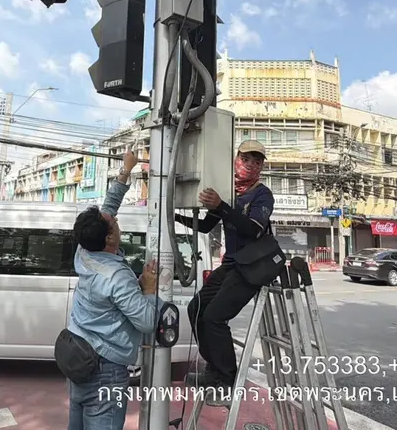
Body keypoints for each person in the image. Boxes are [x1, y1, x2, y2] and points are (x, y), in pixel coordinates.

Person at [175, 140, 284, 405]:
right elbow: (205, 226)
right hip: (232, 263)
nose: (251, 165)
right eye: (246, 159)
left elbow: (254, 229)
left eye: (257, 161)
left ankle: (227, 380)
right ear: (236, 159)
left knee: (214, 317)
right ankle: (213, 370)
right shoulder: (228, 191)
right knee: (196, 309)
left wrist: (221, 205)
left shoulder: (262, 194)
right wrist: (174, 216)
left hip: (252, 267)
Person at [65, 148, 161, 430]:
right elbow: (146, 321)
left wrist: (126, 170)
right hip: (104, 370)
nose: (115, 220)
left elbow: (109, 207)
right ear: (109, 238)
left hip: (78, 356)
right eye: (114, 223)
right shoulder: (117, 276)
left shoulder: (84, 251)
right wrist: (149, 290)